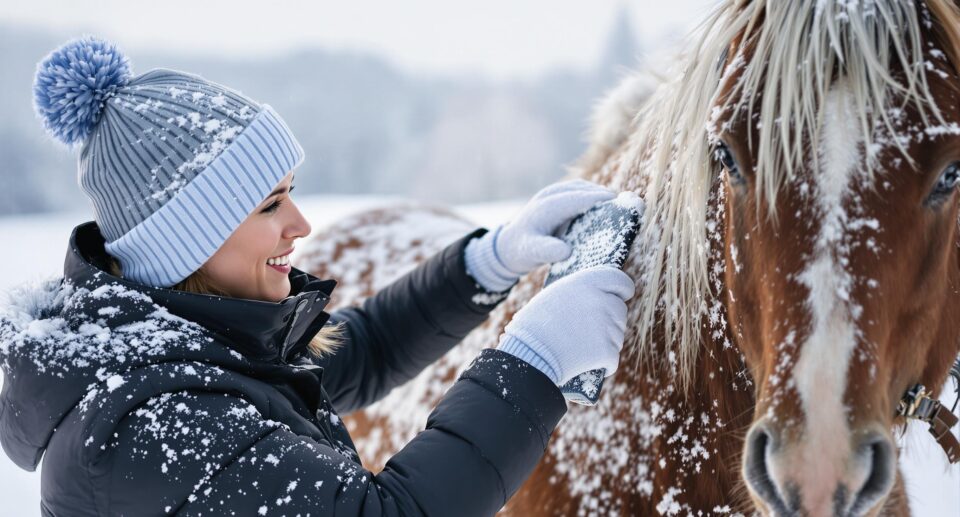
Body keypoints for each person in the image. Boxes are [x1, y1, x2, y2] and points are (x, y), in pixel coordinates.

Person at [0, 37, 636, 516]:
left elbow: (360, 352)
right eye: (269, 205)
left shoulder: (185, 348)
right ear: (187, 242)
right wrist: (534, 363)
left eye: (291, 194)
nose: (301, 225)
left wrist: (486, 261)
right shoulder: (154, 425)